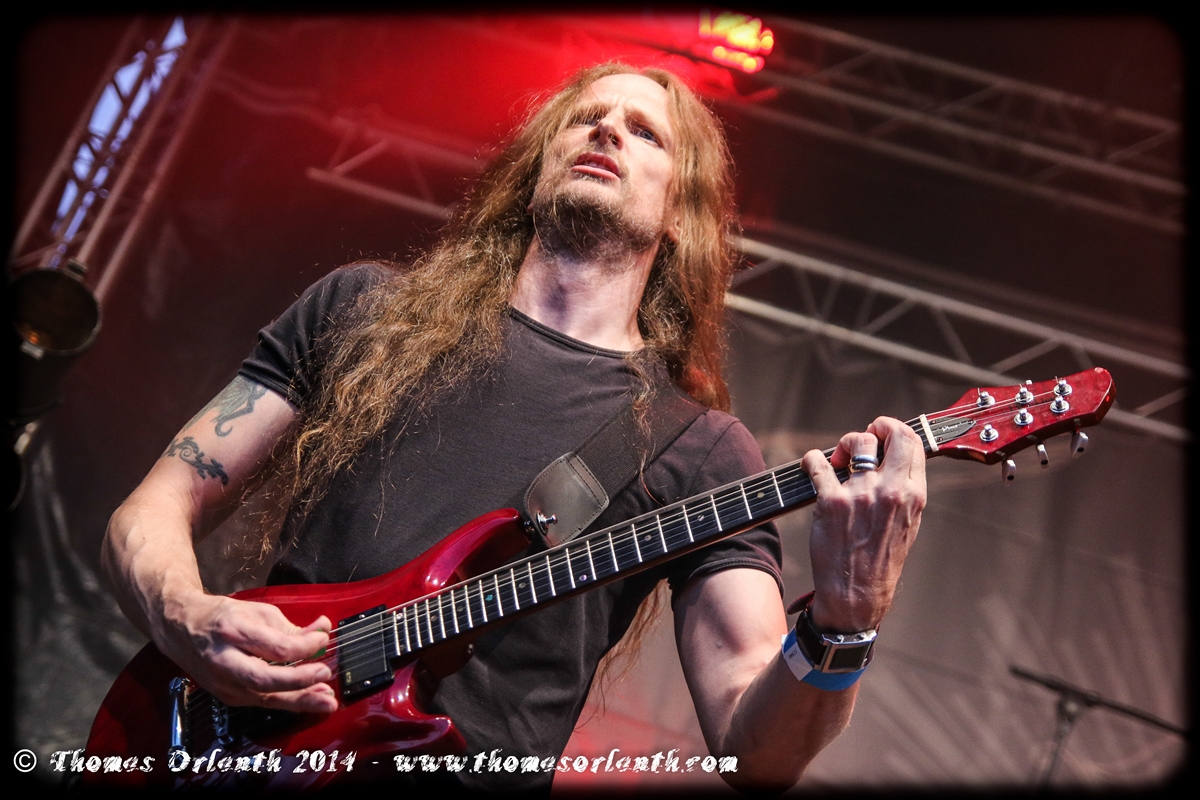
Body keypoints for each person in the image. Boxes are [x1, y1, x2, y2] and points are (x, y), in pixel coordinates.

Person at [101, 62, 926, 794]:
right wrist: (184, 616)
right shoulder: (363, 310)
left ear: (682, 213)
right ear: (536, 172)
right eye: (586, 117)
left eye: (646, 132)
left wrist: (846, 617)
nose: (607, 129)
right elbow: (155, 504)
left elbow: (758, 758)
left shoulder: (699, 450)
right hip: (224, 751)